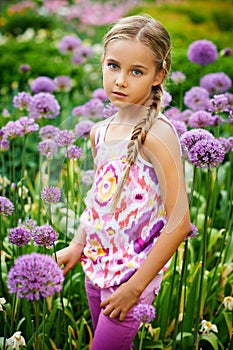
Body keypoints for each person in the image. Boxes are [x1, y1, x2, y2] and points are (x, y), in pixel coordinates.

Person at [56, 14, 191, 350]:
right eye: (113, 66)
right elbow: (100, 200)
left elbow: (180, 224)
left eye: (136, 72)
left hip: (133, 280)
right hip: (96, 268)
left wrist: (135, 288)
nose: (120, 80)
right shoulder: (99, 132)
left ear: (159, 75)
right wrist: (77, 243)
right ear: (102, 62)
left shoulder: (157, 136)